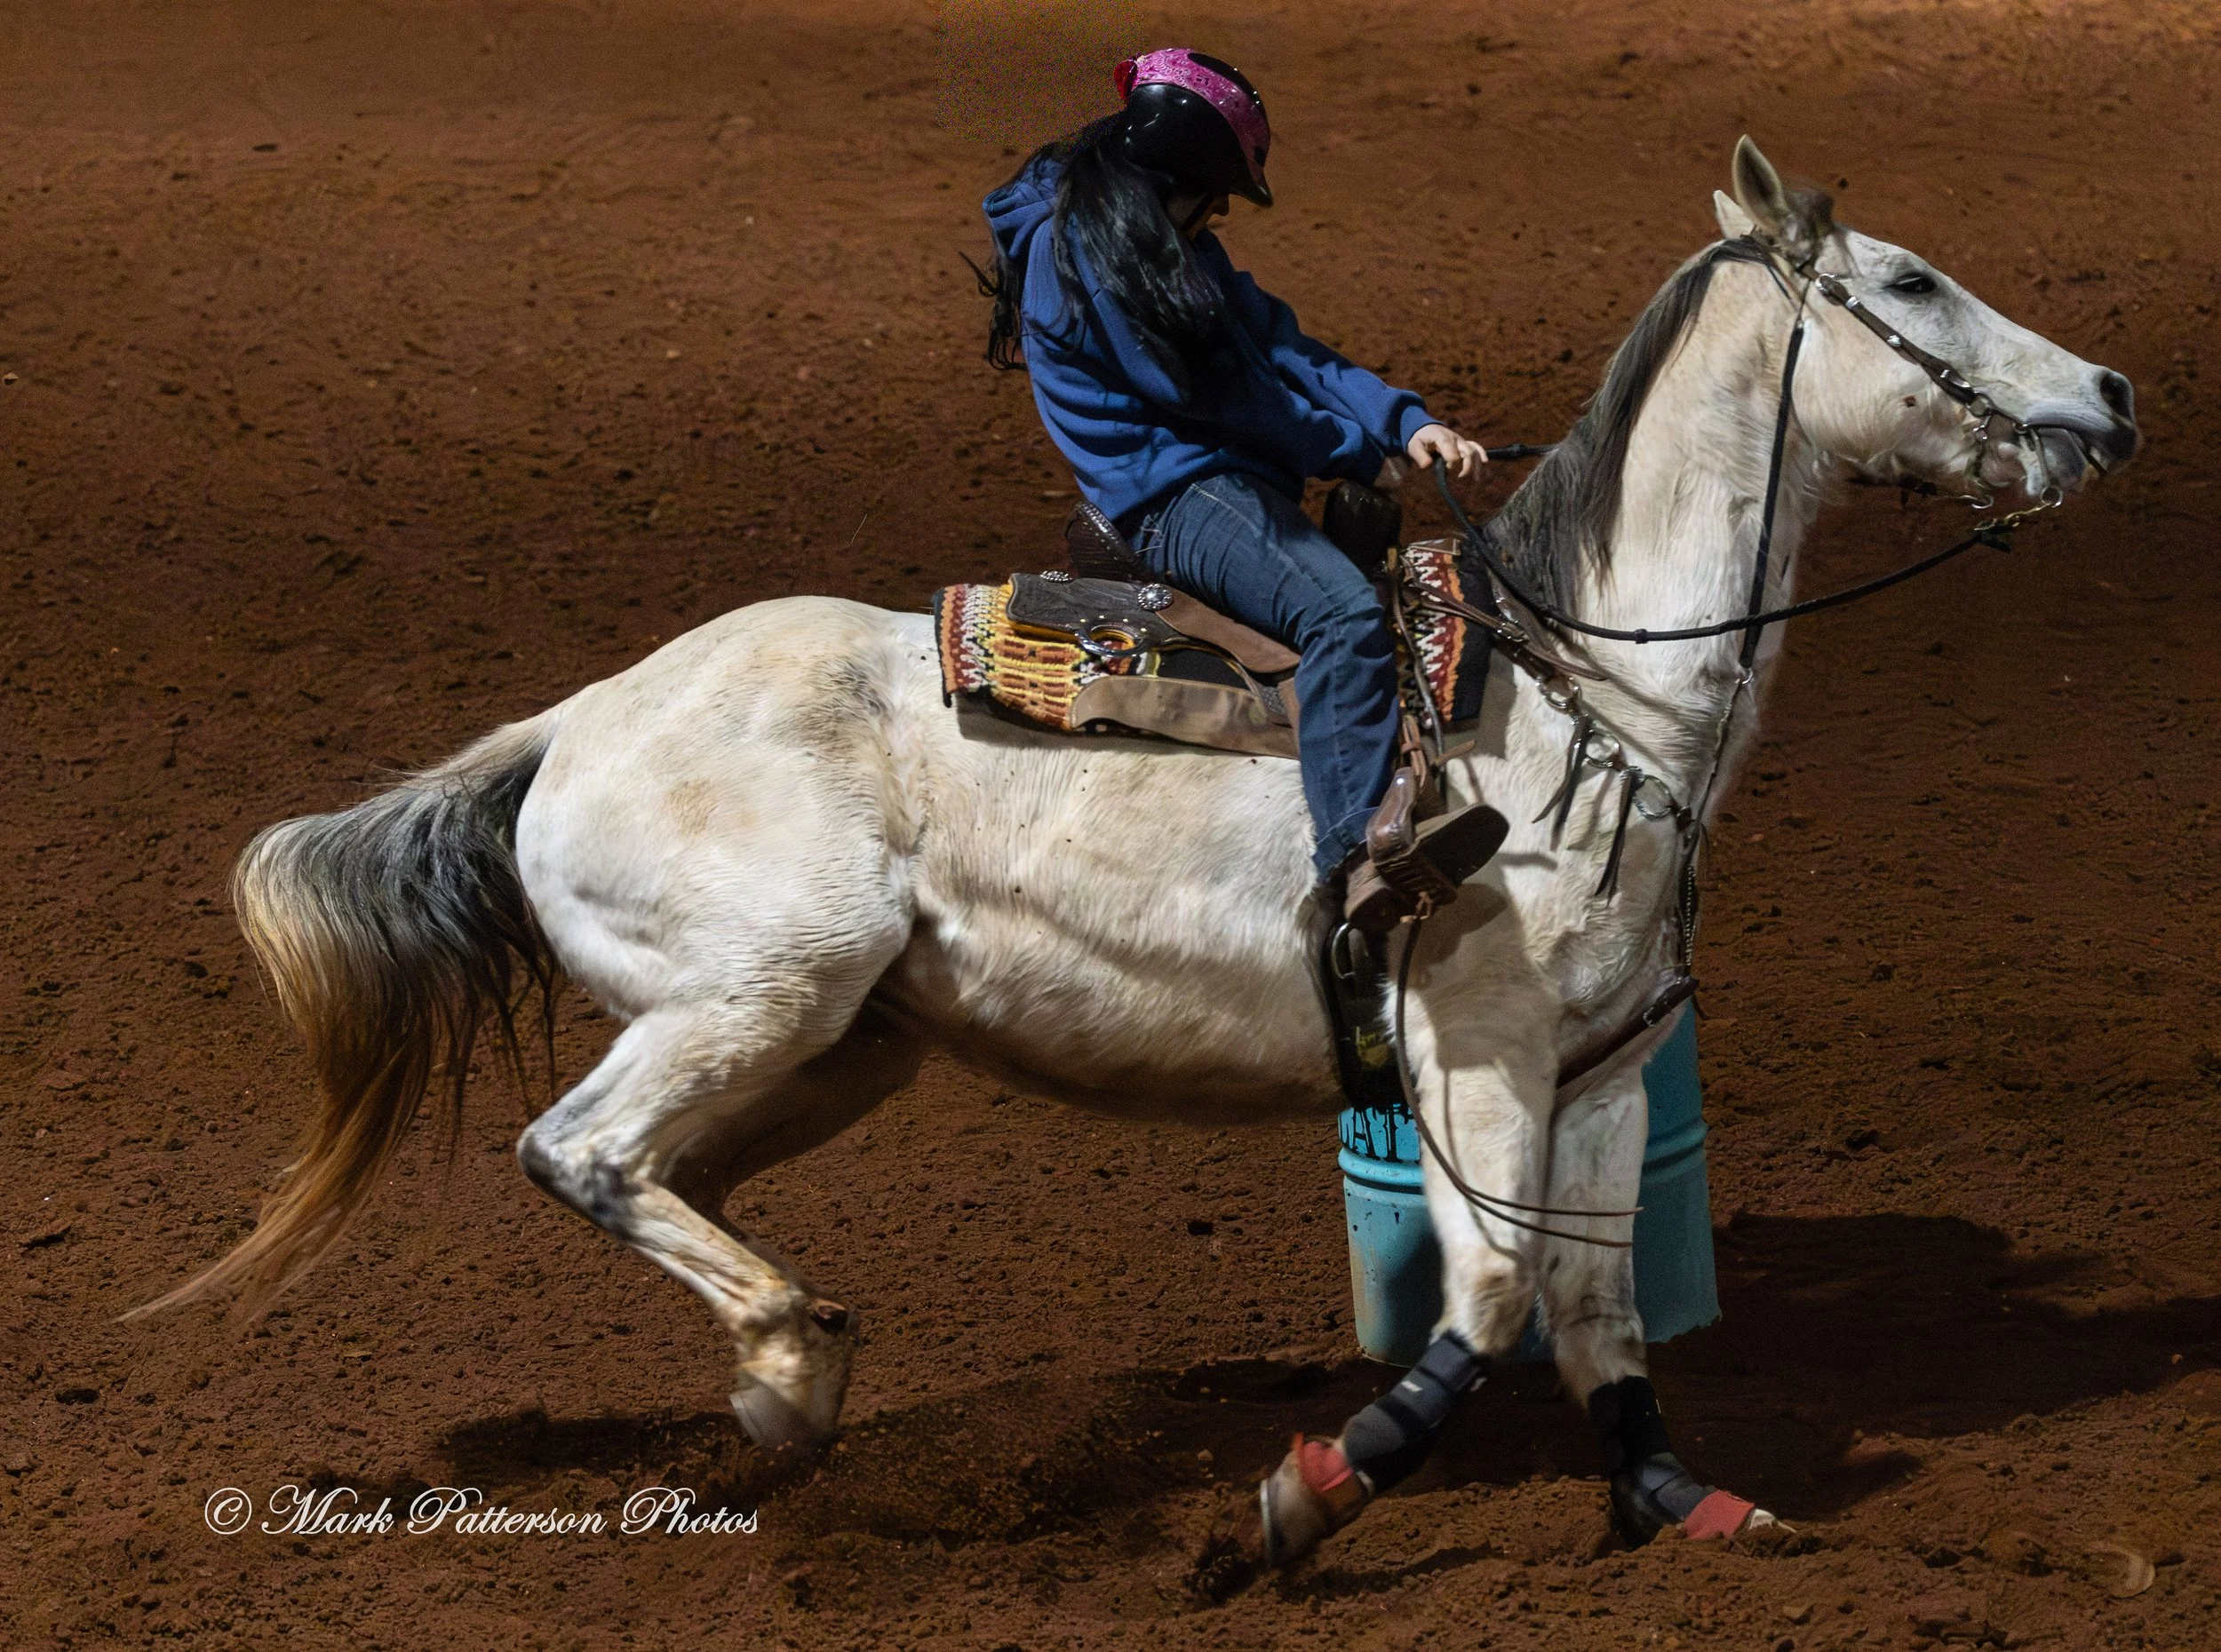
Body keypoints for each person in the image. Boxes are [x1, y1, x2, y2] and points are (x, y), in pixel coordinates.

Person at [975, 47, 1503, 933]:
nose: (1220, 212)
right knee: (1340, 614)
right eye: (1214, 192)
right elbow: (1223, 396)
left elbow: (1284, 350)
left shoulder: (1163, 241)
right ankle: (1359, 862)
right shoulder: (1089, 259)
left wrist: (1404, 422)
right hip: (1174, 497)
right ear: (1174, 176)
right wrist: (1350, 450)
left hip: (1217, 473)